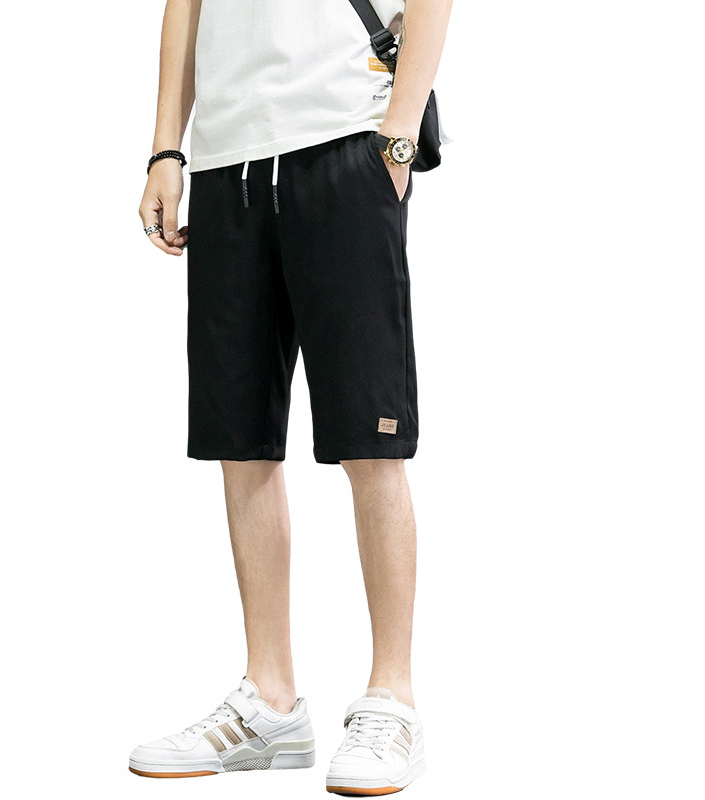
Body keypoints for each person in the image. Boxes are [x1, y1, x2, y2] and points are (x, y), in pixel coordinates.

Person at [133, 0, 453, 794]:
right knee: (239, 442)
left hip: (344, 135)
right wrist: (167, 148)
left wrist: (399, 134)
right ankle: (270, 700)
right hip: (226, 159)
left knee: (370, 438)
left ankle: (392, 697)